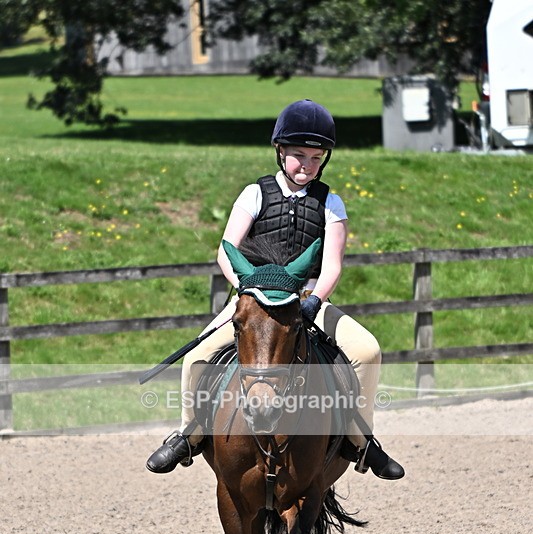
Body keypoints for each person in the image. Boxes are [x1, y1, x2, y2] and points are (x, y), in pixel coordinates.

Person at [146, 99, 404, 480]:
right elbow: (225, 250)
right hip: (252, 297)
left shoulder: (331, 203)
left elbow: (332, 263)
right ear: (280, 151)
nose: (308, 165)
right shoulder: (255, 194)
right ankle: (189, 434)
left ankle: (359, 441)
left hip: (305, 301)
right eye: (299, 155)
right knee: (196, 357)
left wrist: (315, 300)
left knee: (368, 351)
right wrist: (248, 291)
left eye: (317, 157)